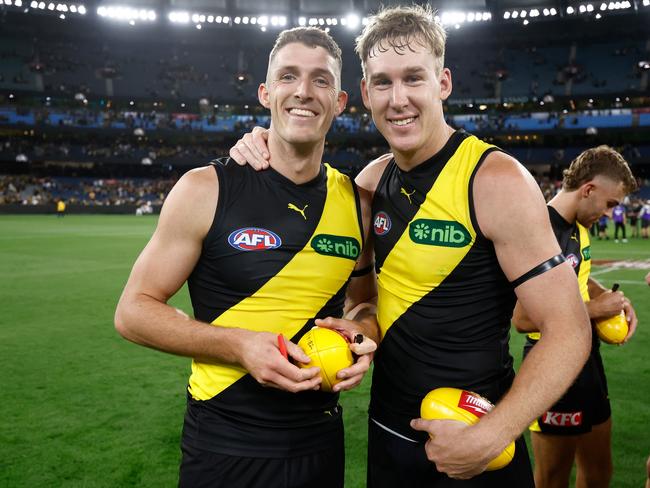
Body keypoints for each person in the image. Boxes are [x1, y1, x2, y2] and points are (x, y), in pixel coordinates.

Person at [229, 5, 591, 486]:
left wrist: (491, 436)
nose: (398, 99)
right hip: (388, 439)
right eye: (382, 82)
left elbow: (568, 330)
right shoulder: (369, 183)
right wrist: (360, 333)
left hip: (478, 440)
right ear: (363, 93)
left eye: (413, 79)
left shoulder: (495, 180)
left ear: (443, 83)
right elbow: (367, 302)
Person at [114, 27, 378, 488]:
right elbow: (133, 312)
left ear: (338, 102)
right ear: (266, 92)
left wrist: (361, 333)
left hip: (320, 444)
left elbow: (364, 303)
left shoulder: (356, 202)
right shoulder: (205, 189)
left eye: (320, 80)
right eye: (288, 76)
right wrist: (237, 345)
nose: (302, 91)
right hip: (223, 449)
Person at [512, 146, 638, 488]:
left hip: (587, 359)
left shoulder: (578, 225)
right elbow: (523, 318)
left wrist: (612, 299)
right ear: (588, 189)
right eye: (610, 204)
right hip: (551, 364)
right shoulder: (541, 230)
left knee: (599, 471)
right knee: (553, 477)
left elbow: (580, 274)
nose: (610, 212)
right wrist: (597, 310)